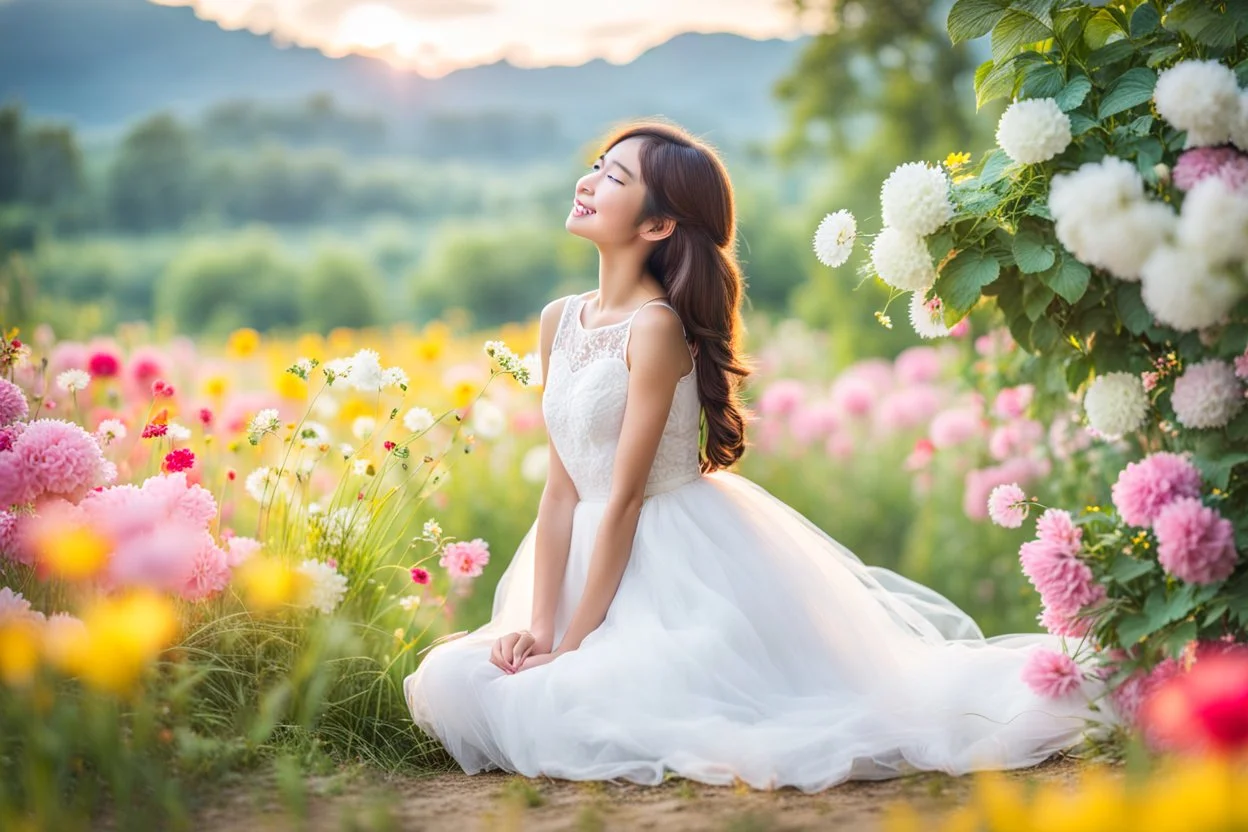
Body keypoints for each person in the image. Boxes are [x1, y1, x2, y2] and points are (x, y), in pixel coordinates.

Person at [403, 119, 1111, 792]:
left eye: (613, 177)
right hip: (579, 555)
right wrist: (538, 624)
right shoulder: (560, 318)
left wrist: (574, 644)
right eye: (595, 167)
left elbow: (621, 499)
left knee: (584, 696)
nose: (588, 182)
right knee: (461, 680)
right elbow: (562, 491)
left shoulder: (654, 330)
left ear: (656, 225)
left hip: (665, 554)